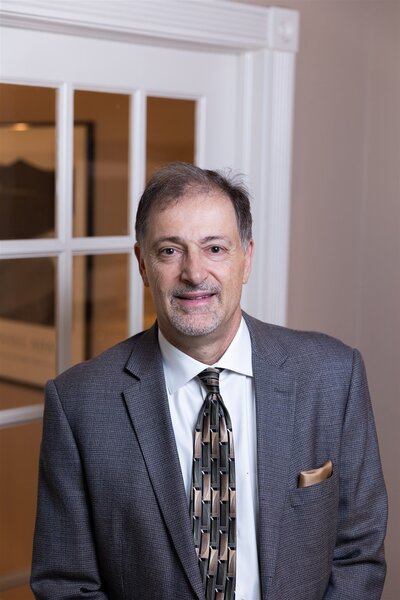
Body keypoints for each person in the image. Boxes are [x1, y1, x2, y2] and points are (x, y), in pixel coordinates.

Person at [31, 162, 387, 600]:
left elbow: (358, 554)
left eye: (215, 248)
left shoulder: (333, 376)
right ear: (143, 265)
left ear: (246, 258)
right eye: (170, 251)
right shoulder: (79, 404)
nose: (194, 273)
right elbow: (66, 584)